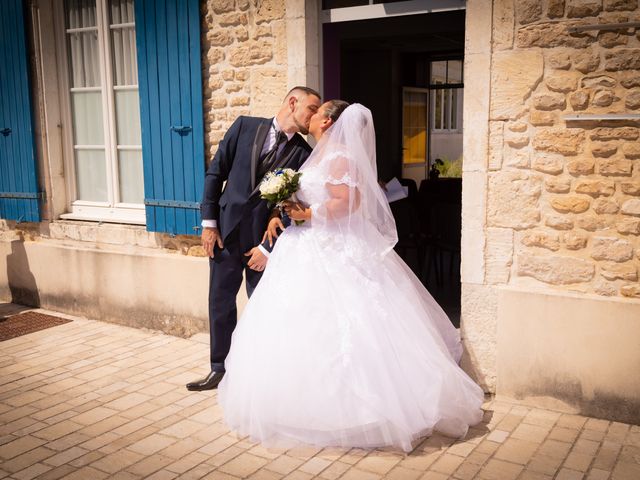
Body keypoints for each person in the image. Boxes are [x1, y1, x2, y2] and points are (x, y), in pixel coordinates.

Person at [217, 104, 484, 452]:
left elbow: (348, 203)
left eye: (316, 111)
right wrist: (284, 210)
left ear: (327, 120)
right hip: (304, 245)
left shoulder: (341, 156)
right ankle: (297, 404)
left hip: (331, 248)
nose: (309, 116)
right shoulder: (317, 153)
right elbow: (310, 196)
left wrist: (308, 213)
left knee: (347, 322)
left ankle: (358, 412)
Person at [186, 87, 322, 392]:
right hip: (224, 233)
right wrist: (209, 224)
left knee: (265, 307)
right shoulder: (245, 126)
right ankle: (219, 369)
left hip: (264, 243)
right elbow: (215, 174)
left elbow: (296, 205)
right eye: (311, 109)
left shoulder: (304, 153)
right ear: (292, 102)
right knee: (220, 303)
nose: (313, 117)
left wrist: (267, 247)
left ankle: (263, 373)